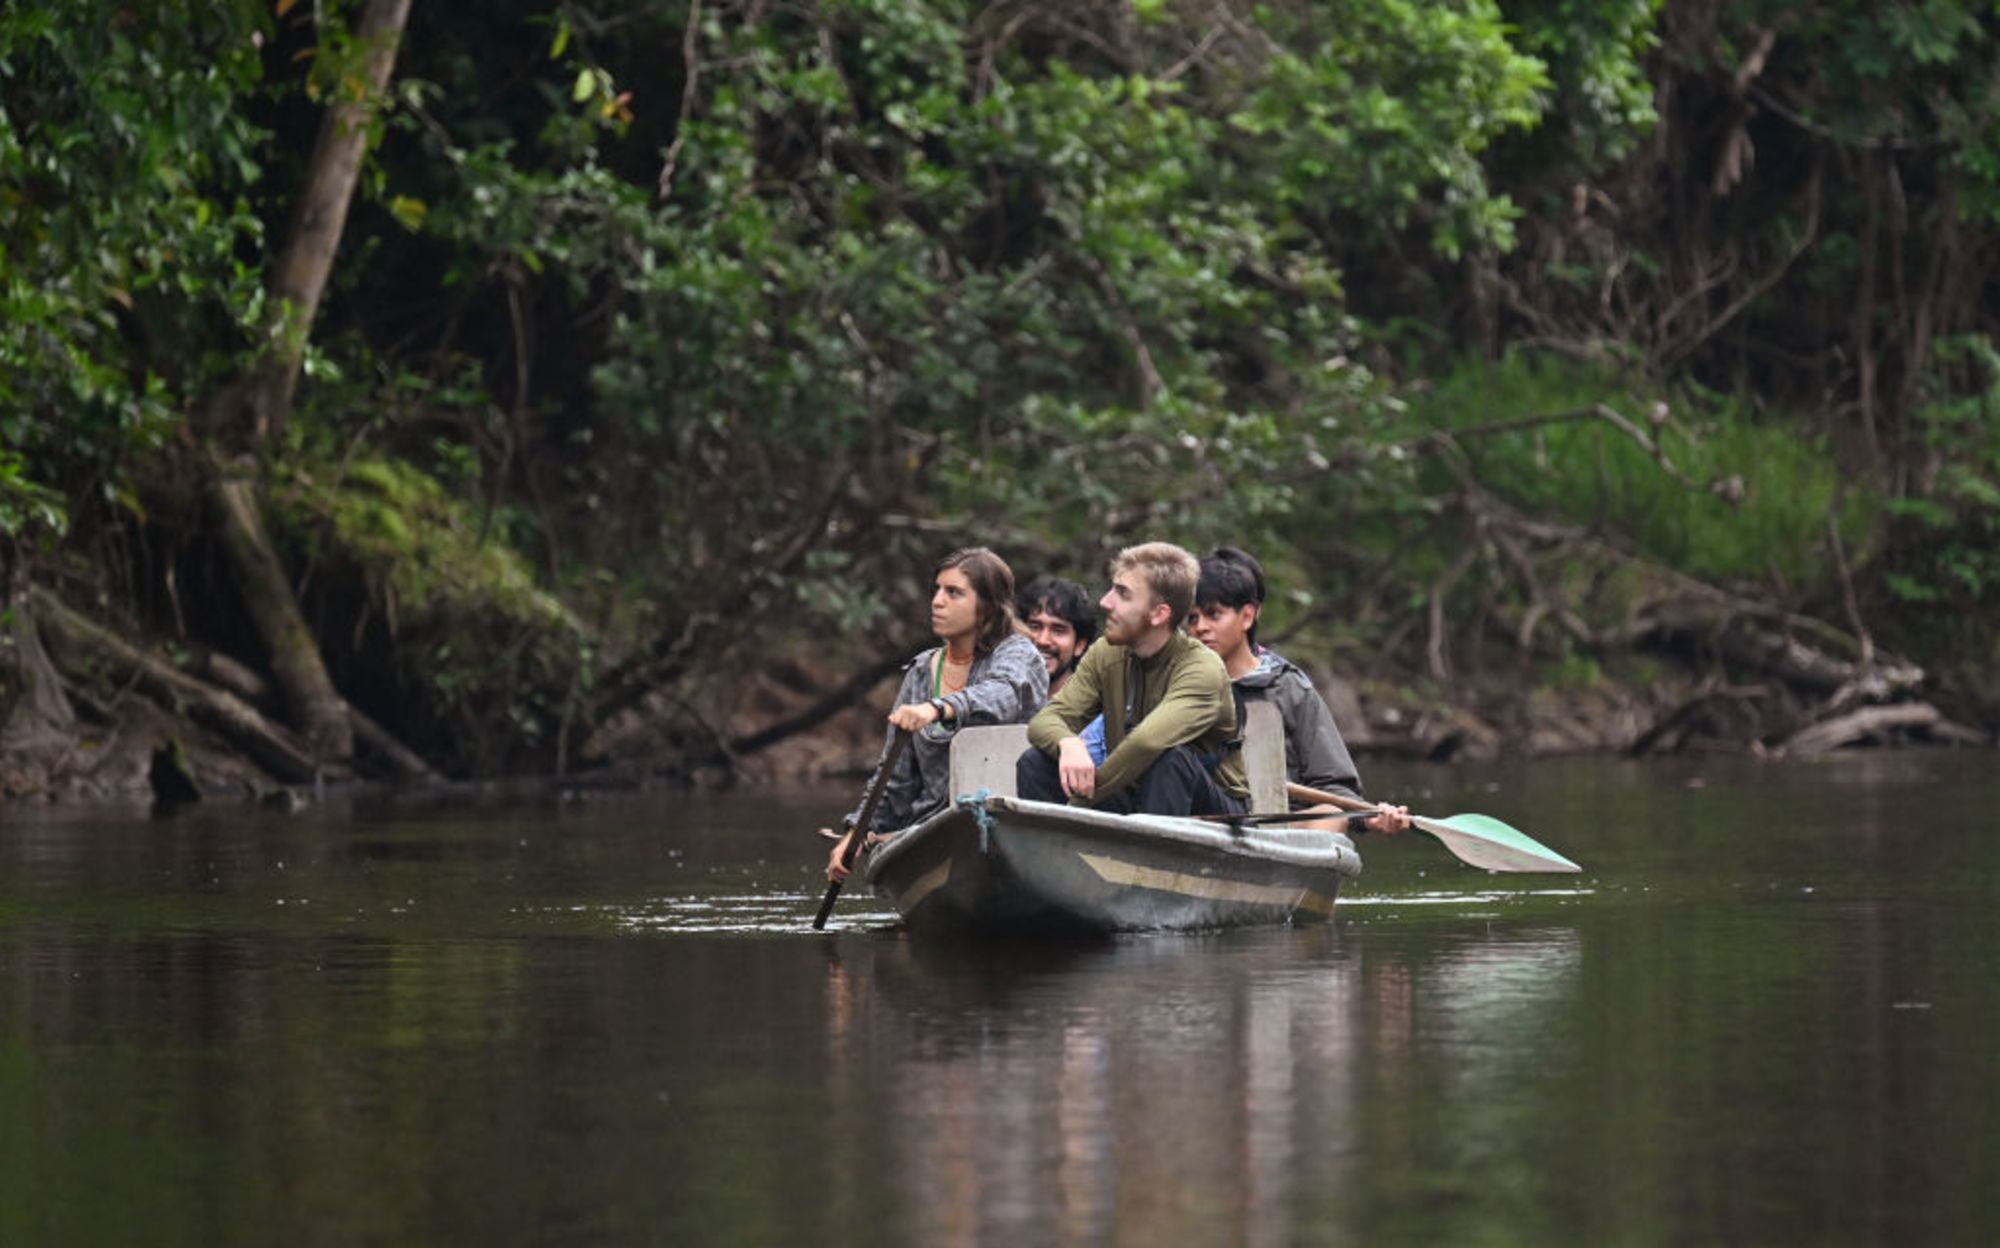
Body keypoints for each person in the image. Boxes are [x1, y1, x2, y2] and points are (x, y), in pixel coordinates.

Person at [824, 548, 1048, 881]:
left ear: (986, 607)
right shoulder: (919, 673)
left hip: (1012, 825)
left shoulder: (1018, 653)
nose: (937, 601)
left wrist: (937, 708)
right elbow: (895, 778)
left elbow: (1002, 694)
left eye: (954, 592)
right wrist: (857, 834)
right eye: (937, 590)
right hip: (931, 830)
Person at [1188, 546, 1409, 835]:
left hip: (1278, 827)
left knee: (1329, 814)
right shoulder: (1176, 682)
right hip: (1204, 822)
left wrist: (1370, 817)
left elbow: (1335, 785)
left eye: (1213, 614)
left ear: (1247, 617)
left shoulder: (1288, 689)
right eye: (1192, 618)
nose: (1200, 628)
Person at [1017, 542, 1245, 817]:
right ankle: (1055, 857)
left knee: (1171, 759)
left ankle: (1151, 860)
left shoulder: (1202, 668)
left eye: (1122, 594)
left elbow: (1146, 743)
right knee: (1036, 764)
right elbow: (1045, 722)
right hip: (1132, 796)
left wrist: (1077, 806)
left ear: (1159, 614)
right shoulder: (1107, 652)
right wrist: (1068, 742)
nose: (1105, 602)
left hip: (1213, 814)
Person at [1015, 575, 1097, 696]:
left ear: (1079, 645)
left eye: (1058, 630)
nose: (1043, 640)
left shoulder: (1094, 711)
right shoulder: (996, 700)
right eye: (1035, 627)